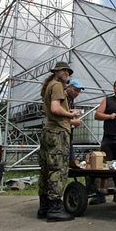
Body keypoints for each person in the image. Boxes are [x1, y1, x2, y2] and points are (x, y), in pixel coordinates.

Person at [37, 61, 80, 222]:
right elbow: (55, 108)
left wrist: (68, 112)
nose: (66, 73)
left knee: (46, 169)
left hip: (49, 130)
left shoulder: (49, 85)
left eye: (68, 71)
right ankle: (55, 209)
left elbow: (53, 109)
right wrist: (71, 115)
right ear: (56, 71)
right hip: (58, 132)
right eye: (63, 71)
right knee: (58, 170)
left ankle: (44, 207)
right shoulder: (57, 86)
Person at [65, 79, 84, 166]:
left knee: (71, 162)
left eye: (78, 91)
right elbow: (55, 117)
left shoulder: (71, 100)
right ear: (68, 87)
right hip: (59, 135)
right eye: (75, 90)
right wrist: (72, 121)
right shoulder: (62, 98)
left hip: (68, 135)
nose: (76, 93)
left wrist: (72, 114)